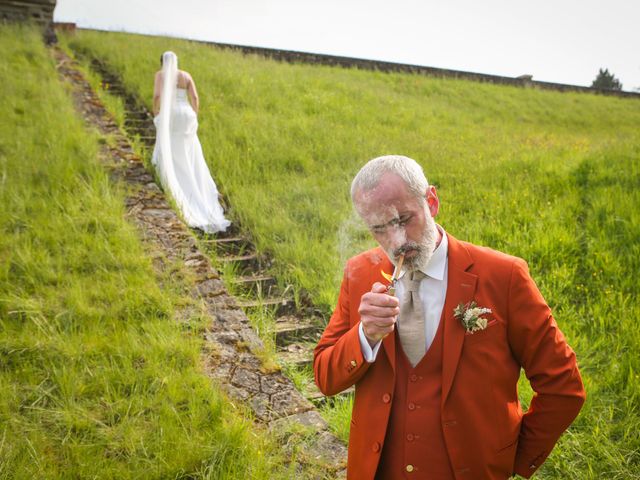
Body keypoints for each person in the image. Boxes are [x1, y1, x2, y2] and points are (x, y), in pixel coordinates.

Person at [313, 155, 585, 479]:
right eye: (379, 229)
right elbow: (325, 377)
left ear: (432, 200)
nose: (396, 241)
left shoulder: (504, 276)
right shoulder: (359, 273)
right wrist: (365, 335)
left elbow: (563, 386)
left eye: (403, 219)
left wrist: (512, 458)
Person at [152, 51, 230, 233]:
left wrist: (156, 111)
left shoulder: (161, 75)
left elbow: (157, 96)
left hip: (171, 114)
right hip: (186, 114)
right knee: (189, 149)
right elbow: (194, 97)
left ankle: (176, 179)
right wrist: (194, 114)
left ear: (162, 62)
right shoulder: (186, 75)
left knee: (171, 147)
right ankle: (195, 184)